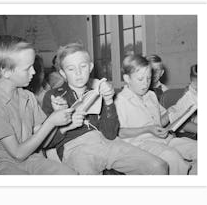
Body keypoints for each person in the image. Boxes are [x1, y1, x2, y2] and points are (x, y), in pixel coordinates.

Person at [42, 43, 168, 175]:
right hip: (75, 147)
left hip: (106, 142)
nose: (78, 73)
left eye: (83, 66)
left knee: (158, 166)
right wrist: (64, 123)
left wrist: (108, 102)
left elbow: (110, 134)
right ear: (62, 72)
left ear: (90, 67)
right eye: (71, 69)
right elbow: (46, 142)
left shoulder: (97, 91)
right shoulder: (53, 96)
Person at [0, 35, 77, 175]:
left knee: (68, 174)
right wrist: (51, 122)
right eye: (27, 68)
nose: (34, 72)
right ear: (6, 71)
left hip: (28, 157)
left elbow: (44, 142)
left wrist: (55, 120)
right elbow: (17, 153)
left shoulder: (28, 97)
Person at [115, 54, 197, 175]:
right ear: (127, 78)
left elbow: (160, 122)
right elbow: (119, 132)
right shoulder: (120, 100)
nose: (146, 84)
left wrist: (175, 111)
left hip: (164, 139)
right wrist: (147, 129)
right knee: (172, 158)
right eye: (140, 79)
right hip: (140, 144)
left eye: (148, 78)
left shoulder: (151, 95)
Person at [168, 64, 197, 139]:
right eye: (195, 86)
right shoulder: (188, 94)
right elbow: (178, 115)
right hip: (185, 122)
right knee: (184, 123)